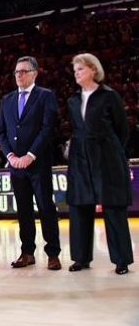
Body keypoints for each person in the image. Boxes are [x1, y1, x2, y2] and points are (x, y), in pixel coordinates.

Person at [66, 53, 133, 275]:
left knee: (113, 208)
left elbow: (122, 129)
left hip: (106, 157)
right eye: (75, 70)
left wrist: (112, 152)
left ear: (94, 70)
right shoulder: (73, 100)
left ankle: (121, 260)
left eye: (81, 69)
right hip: (80, 158)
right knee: (79, 207)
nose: (77, 73)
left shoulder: (109, 96)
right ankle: (81, 258)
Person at [0, 56, 61, 270]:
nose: (19, 75)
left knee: (46, 208)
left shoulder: (45, 96)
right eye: (16, 72)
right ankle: (27, 252)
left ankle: (53, 253)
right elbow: (2, 133)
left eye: (23, 71)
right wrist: (11, 157)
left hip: (38, 163)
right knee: (23, 210)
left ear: (34, 73)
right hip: (16, 166)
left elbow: (47, 129)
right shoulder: (6, 100)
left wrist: (30, 155)